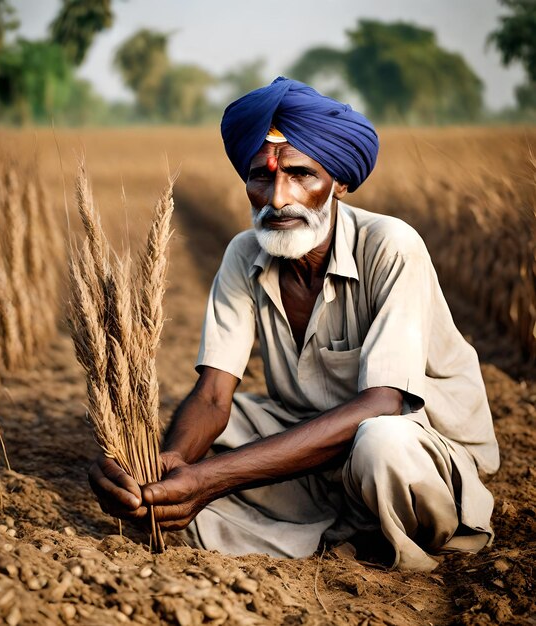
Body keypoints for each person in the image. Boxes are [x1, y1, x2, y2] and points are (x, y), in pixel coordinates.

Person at [89, 77, 499, 571]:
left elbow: (384, 402)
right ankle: (339, 534)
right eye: (261, 176)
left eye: (301, 175)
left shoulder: (391, 245)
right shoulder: (244, 252)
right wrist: (165, 467)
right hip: (311, 443)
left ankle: (382, 533)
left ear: (339, 182)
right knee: (219, 429)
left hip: (417, 450)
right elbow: (215, 394)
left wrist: (212, 480)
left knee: (379, 440)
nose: (278, 197)